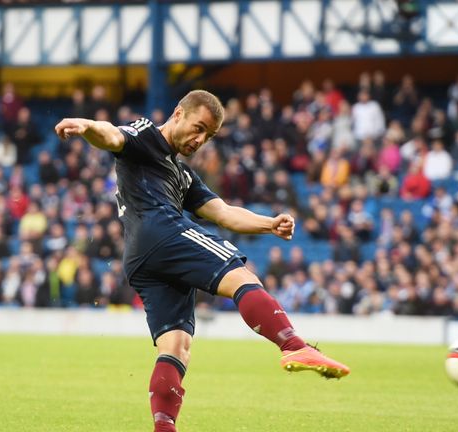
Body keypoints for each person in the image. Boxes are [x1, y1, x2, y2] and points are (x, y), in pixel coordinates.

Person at [54, 90, 349, 432]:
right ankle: (293, 345)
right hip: (161, 232)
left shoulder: (182, 175)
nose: (200, 140)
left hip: (140, 257)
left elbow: (223, 213)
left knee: (176, 345)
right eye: (198, 128)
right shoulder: (146, 135)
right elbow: (113, 135)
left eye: (207, 136)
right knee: (242, 278)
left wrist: (268, 224)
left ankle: (163, 428)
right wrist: (87, 124)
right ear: (178, 113)